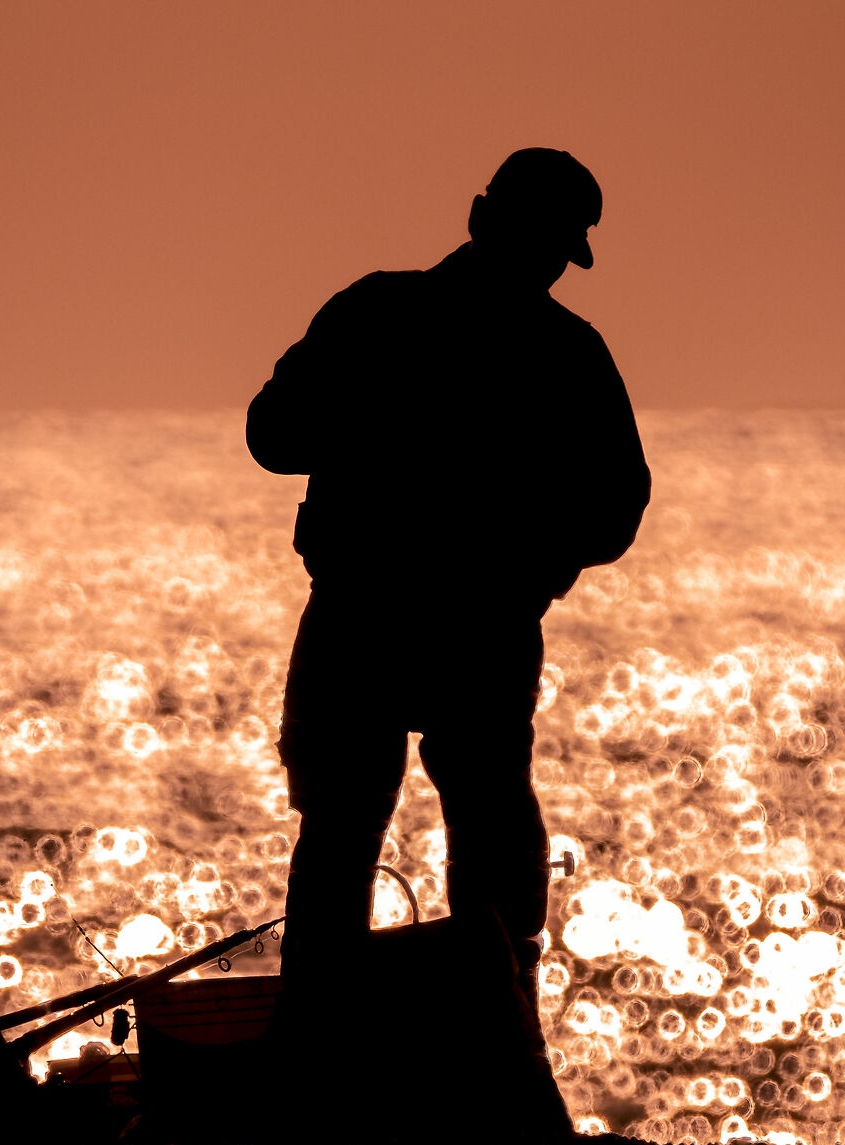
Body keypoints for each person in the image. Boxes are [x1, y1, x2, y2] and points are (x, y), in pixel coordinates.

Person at [247, 147, 651, 1035]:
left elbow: (273, 434)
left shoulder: (379, 313)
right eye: (549, 246)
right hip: (450, 621)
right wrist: (537, 562)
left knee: (364, 833)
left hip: (394, 616)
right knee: (469, 820)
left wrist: (530, 565)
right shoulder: (561, 352)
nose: (544, 265)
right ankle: (492, 1031)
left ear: (477, 215)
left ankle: (335, 1040)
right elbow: (616, 507)